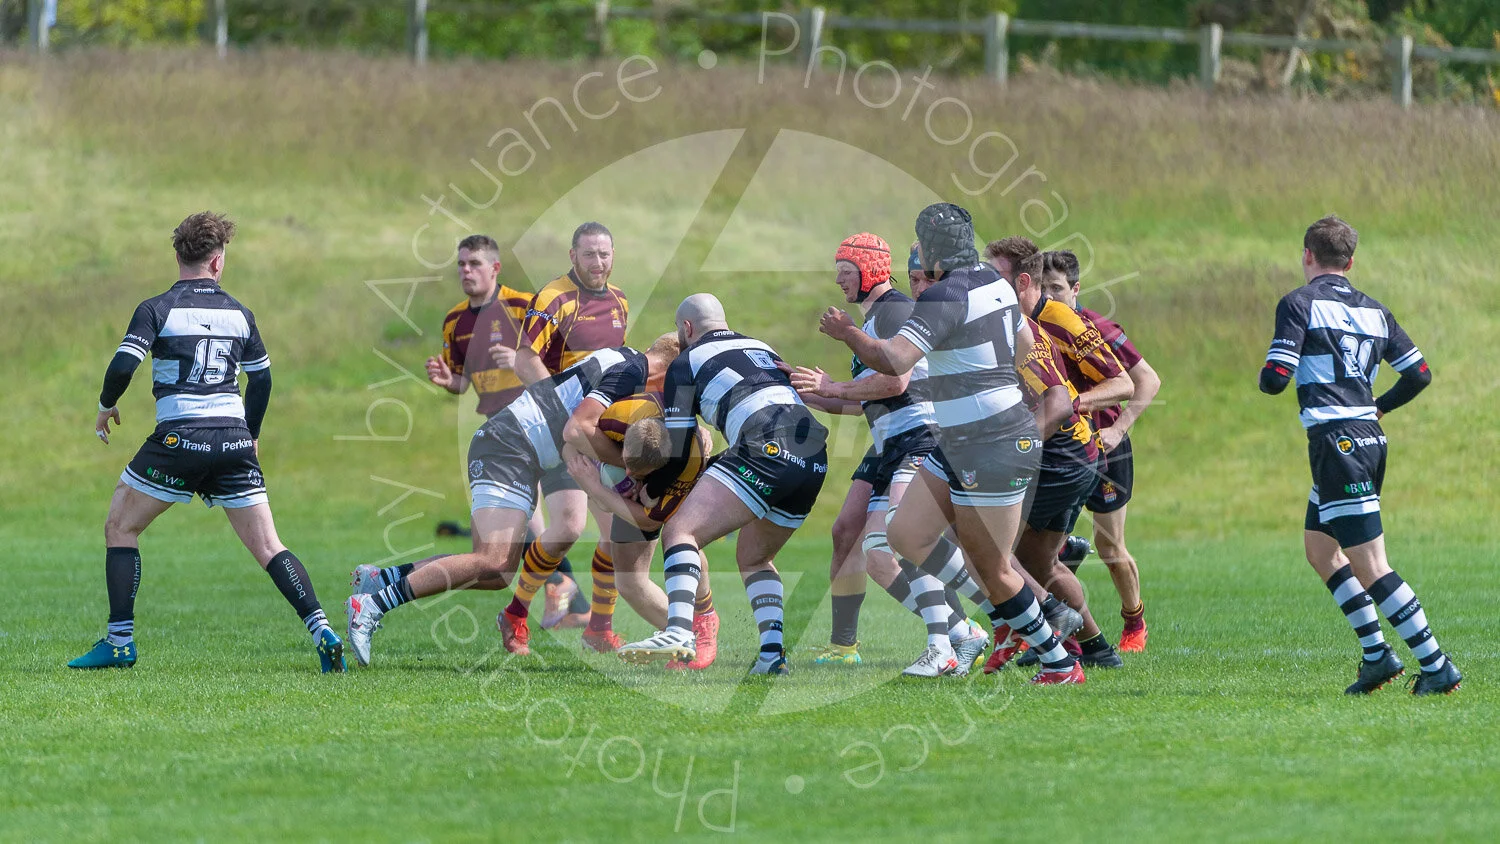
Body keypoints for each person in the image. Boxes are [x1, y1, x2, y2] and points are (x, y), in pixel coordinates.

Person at [818, 203, 1084, 685]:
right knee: (905, 534)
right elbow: (1025, 346)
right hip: (958, 440)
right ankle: (1008, 620)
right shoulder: (995, 283)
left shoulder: (943, 295)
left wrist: (847, 333)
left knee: (994, 569)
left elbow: (895, 361)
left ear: (933, 249)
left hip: (991, 442)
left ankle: (1058, 657)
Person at [70, 211, 344, 673]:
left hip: (180, 439)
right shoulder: (240, 314)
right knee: (269, 546)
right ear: (217, 261)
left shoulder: (157, 308)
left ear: (178, 255)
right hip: (233, 440)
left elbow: (123, 365)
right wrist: (251, 436)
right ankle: (323, 630)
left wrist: (106, 404)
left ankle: (119, 643)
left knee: (120, 527)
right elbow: (262, 381)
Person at [344, 338, 678, 666]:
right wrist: (625, 470)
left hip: (520, 450)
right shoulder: (631, 373)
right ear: (668, 369)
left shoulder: (623, 358)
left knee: (498, 574)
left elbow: (570, 434)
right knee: (492, 559)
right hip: (509, 446)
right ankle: (371, 606)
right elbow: (576, 431)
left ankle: (382, 579)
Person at [1260, 215, 1459, 695]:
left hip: (1338, 444)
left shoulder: (1299, 303)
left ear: (1307, 255)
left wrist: (1276, 369)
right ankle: (1377, 657)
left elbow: (1275, 379)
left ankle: (1436, 666)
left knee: (1371, 564)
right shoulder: (1375, 310)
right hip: (1366, 438)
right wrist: (1378, 406)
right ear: (1350, 262)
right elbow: (1419, 374)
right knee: (1320, 549)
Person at [787, 234, 987, 677]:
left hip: (920, 435)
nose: (839, 279)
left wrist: (832, 386)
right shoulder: (873, 319)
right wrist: (805, 391)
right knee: (877, 552)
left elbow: (897, 382)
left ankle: (990, 622)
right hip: (892, 443)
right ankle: (964, 631)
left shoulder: (893, 310)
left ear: (869, 270)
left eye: (846, 270)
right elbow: (866, 400)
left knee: (907, 534)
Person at [617, 294, 829, 675]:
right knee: (754, 557)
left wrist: (650, 484)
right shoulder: (761, 347)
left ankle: (679, 632)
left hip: (766, 446)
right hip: (814, 457)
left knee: (680, 531)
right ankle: (771, 657)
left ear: (686, 328)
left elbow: (678, 449)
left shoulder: (685, 362)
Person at [984, 237, 1122, 671]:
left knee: (992, 549)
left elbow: (1123, 383)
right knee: (1035, 562)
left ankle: (1051, 635)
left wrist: (1067, 405)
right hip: (1054, 452)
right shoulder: (1007, 320)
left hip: (1065, 453)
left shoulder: (1058, 319)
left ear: (1024, 281)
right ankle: (1093, 648)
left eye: (996, 278)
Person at [496, 221, 631, 652]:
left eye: (604, 254)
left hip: (599, 432)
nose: (598, 262)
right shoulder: (554, 297)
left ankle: (599, 629)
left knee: (615, 533)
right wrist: (560, 413)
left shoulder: (619, 300)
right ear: (573, 256)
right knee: (569, 528)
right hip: (562, 431)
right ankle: (516, 614)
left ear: (614, 255)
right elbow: (524, 360)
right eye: (589, 254)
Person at [1038, 250, 1161, 652]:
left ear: (1076, 289)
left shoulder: (1097, 329)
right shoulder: (1032, 329)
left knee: (1109, 547)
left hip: (1106, 448)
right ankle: (1051, 630)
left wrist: (1118, 429)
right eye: (1042, 288)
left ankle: (1134, 621)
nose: (1049, 296)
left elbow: (1148, 381)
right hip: (1060, 450)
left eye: (1057, 288)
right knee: (1037, 545)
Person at [565, 405, 720, 669]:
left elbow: (649, 518)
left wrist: (597, 489)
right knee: (630, 581)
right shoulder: (614, 419)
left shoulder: (685, 459)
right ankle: (687, 635)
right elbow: (570, 439)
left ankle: (698, 625)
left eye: (636, 471)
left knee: (681, 538)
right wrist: (598, 483)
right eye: (626, 464)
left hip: (675, 470)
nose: (629, 474)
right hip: (649, 454)